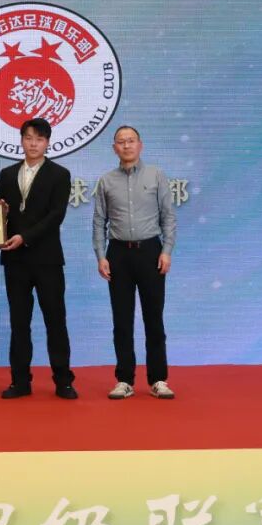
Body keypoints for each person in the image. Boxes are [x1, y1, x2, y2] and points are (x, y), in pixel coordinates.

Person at [91, 125, 177, 399]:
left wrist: (166, 250)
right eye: (121, 142)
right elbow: (99, 221)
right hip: (118, 254)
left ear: (140, 145)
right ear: (114, 148)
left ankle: (158, 379)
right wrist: (101, 255)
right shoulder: (106, 181)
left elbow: (168, 216)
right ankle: (124, 379)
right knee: (122, 320)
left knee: (154, 318)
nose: (126, 145)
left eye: (131, 141)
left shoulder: (156, 175)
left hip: (150, 251)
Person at [0, 118, 78, 399]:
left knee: (55, 321)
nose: (33, 144)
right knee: (19, 322)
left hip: (47, 259)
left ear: (47, 143)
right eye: (29, 138)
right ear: (21, 140)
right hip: (15, 260)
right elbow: (1, 215)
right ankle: (20, 381)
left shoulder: (60, 174)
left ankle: (63, 381)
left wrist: (25, 236)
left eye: (39, 139)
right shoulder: (7, 174)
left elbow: (56, 216)